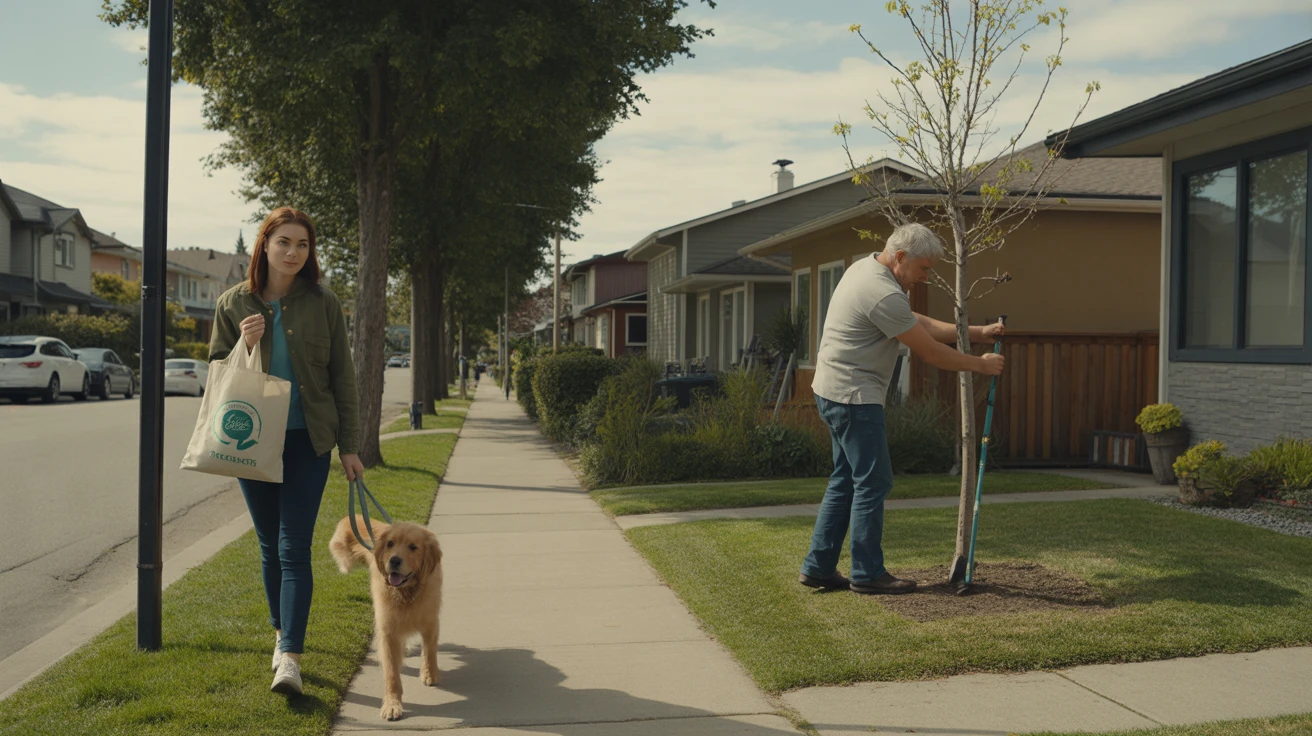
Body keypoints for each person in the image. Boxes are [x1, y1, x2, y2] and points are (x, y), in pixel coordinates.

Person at [799, 223, 1005, 596]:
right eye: (924, 269)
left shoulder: (866, 269)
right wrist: (980, 364)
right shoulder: (881, 291)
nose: (926, 278)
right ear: (900, 257)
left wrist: (974, 333)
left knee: (846, 479)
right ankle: (866, 573)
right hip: (853, 397)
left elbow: (916, 324)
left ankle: (818, 567)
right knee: (874, 481)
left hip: (832, 389)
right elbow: (928, 351)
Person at [210, 207, 363, 695]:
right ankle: (281, 636)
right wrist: (244, 343)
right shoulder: (232, 304)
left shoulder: (324, 304)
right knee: (268, 546)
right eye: (285, 243)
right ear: (265, 244)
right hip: (252, 439)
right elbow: (217, 372)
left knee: (293, 546)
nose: (294, 253)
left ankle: (290, 659)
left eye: (303, 245)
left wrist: (351, 447)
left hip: (308, 442)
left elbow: (343, 378)